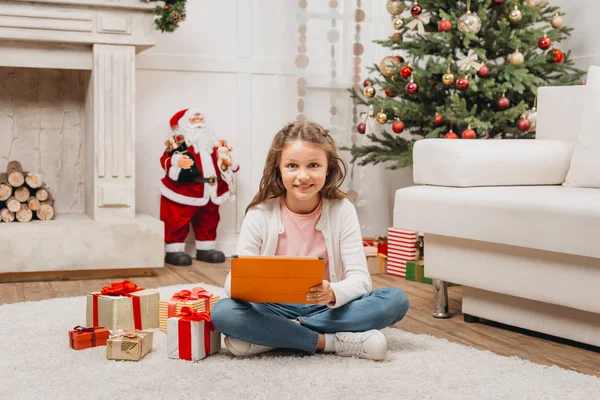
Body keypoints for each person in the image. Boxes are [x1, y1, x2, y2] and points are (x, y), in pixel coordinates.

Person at [210, 120, 409, 361]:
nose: (303, 176)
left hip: (327, 308)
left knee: (396, 300)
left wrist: (332, 292)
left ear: (328, 169)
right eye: (292, 166)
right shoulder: (260, 213)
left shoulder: (342, 209)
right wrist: (256, 285)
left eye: (313, 165)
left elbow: (361, 280)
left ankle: (275, 337)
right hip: (272, 308)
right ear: (278, 169)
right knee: (223, 312)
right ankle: (330, 342)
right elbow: (233, 285)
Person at [158, 109, 239, 266]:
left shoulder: (214, 144)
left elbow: (228, 163)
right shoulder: (179, 144)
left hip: (210, 189)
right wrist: (177, 161)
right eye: (194, 119)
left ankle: (206, 248)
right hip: (185, 190)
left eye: (200, 118)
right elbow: (165, 159)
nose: (198, 121)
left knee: (209, 219)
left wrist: (228, 163)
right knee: (177, 219)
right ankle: (174, 250)